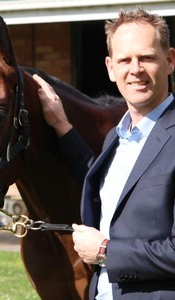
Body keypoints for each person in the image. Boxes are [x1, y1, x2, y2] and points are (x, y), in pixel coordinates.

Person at [33, 7, 175, 299]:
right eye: (125, 60)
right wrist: (62, 125)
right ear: (111, 68)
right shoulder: (117, 136)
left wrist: (105, 251)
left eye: (146, 57)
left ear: (170, 60)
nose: (135, 69)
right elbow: (104, 183)